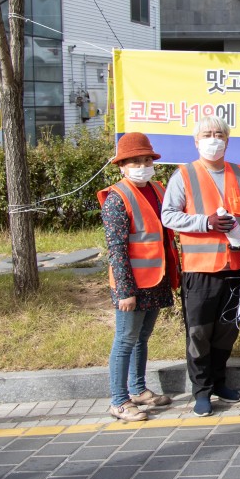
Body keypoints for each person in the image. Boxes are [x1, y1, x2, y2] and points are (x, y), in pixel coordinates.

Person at [161, 115, 240, 416]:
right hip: (199, 269)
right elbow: (168, 216)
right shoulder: (184, 175)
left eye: (219, 134)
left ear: (227, 140)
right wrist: (205, 222)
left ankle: (219, 381)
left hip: (232, 266)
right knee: (199, 332)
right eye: (207, 134)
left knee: (227, 329)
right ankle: (201, 391)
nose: (214, 139)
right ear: (196, 141)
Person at [98, 132, 179, 422]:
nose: (142, 165)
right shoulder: (116, 198)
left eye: (146, 160)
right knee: (125, 340)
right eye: (135, 161)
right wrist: (124, 291)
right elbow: (116, 249)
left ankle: (138, 389)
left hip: (155, 279)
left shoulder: (157, 189)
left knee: (142, 337)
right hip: (131, 284)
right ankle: (119, 401)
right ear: (122, 166)